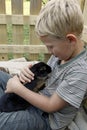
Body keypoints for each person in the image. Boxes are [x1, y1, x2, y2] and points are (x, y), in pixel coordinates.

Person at [0, 0, 87, 130]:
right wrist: (27, 73)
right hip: (36, 97)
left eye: (51, 46)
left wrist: (17, 88)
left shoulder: (81, 71)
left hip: (46, 117)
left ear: (70, 40)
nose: (49, 52)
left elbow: (51, 105)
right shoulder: (64, 53)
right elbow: (48, 77)